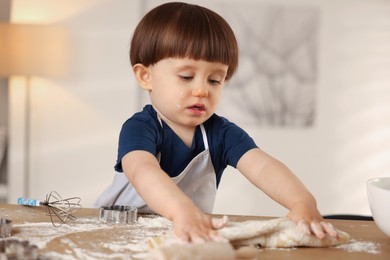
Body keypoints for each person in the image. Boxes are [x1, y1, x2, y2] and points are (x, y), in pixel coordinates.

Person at [95, 1, 338, 243]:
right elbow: (143, 170)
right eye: (187, 76)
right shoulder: (140, 128)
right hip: (118, 235)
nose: (202, 90)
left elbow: (264, 167)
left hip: (183, 236)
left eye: (214, 80)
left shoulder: (221, 133)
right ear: (145, 76)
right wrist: (182, 210)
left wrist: (302, 202)